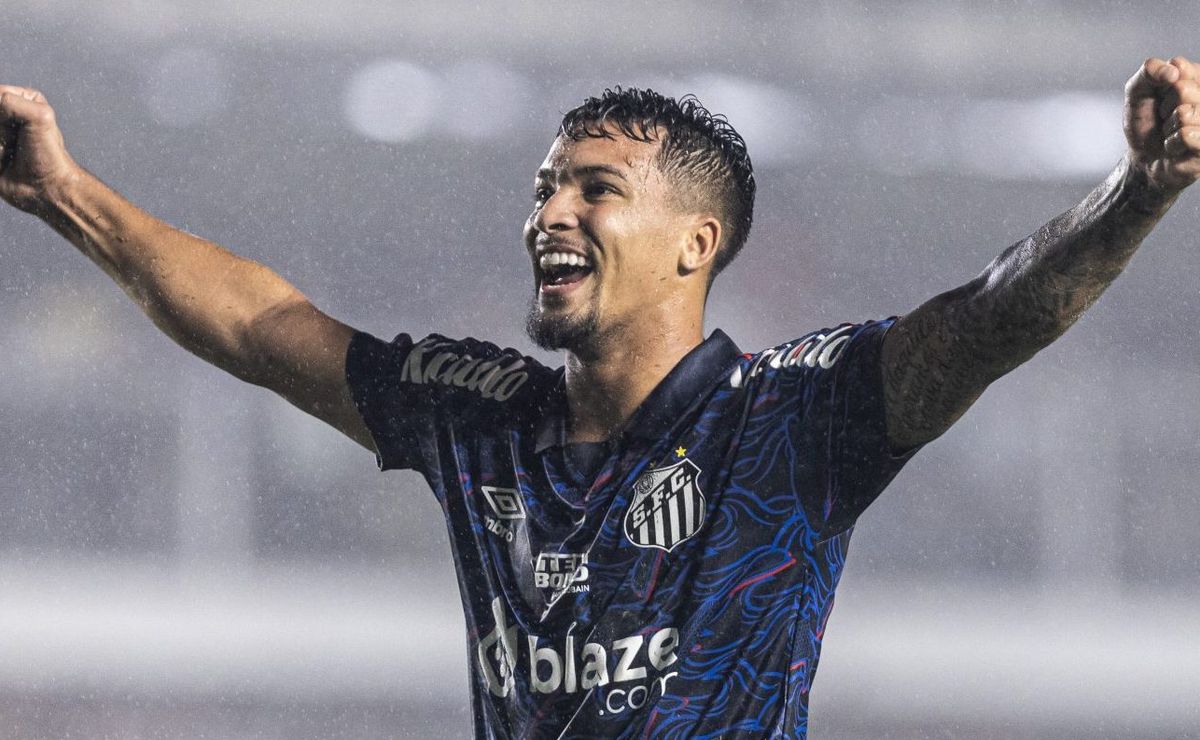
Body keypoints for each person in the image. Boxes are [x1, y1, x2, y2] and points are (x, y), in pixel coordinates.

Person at [0, 54, 1195, 738]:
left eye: (596, 189)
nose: (550, 213)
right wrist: (62, 192)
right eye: (544, 186)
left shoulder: (791, 417)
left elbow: (992, 314)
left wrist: (1138, 189)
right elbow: (265, 329)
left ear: (695, 243)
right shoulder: (478, 418)